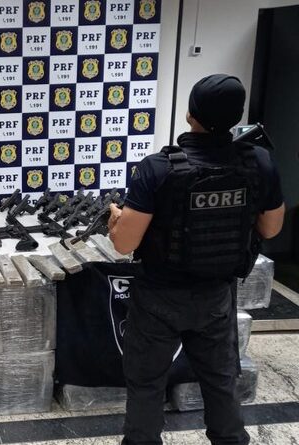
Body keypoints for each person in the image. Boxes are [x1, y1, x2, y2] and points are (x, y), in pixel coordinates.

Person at [108, 74, 285, 445]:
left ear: (190, 114)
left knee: (146, 386)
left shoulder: (158, 168)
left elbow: (124, 244)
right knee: (221, 383)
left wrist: (115, 221)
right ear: (236, 116)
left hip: (158, 299)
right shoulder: (258, 162)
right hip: (216, 297)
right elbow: (270, 228)